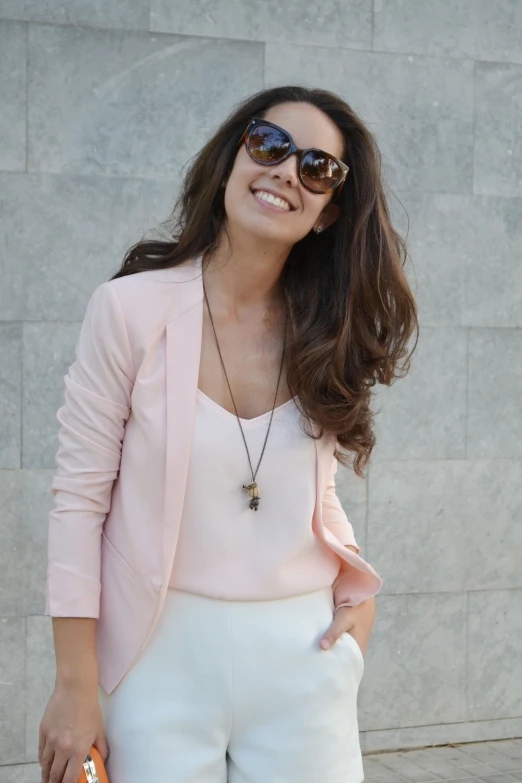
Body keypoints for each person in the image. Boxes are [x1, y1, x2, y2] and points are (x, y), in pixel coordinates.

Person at [38, 85, 418, 783]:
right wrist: (73, 684)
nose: (284, 172)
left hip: (301, 653)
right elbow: (78, 502)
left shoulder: (324, 331)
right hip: (158, 656)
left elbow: (313, 487)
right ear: (232, 157)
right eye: (269, 144)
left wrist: (356, 609)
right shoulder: (129, 311)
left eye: (317, 167)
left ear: (330, 211)